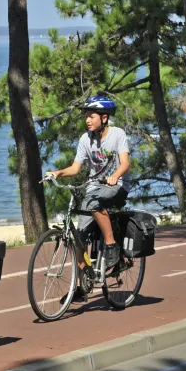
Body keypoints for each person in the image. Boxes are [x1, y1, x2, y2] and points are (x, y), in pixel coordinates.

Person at [46, 96, 130, 276]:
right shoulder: (86, 139)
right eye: (86, 116)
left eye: (91, 116)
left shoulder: (118, 134)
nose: (87, 120)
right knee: (80, 237)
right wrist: (58, 173)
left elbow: (125, 163)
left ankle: (111, 244)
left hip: (118, 186)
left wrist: (114, 176)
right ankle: (81, 284)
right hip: (94, 190)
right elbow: (75, 168)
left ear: (104, 118)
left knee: (93, 204)